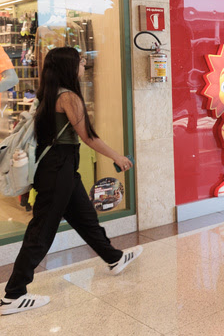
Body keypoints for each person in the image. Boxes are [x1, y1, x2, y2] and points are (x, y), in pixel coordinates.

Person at [1, 47, 141, 316]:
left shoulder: (47, 94)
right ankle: (13, 294)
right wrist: (118, 157)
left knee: (85, 218)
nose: (83, 64)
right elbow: (88, 136)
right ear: (68, 66)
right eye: (80, 61)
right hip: (59, 167)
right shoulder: (69, 97)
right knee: (42, 229)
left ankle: (114, 258)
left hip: (56, 167)